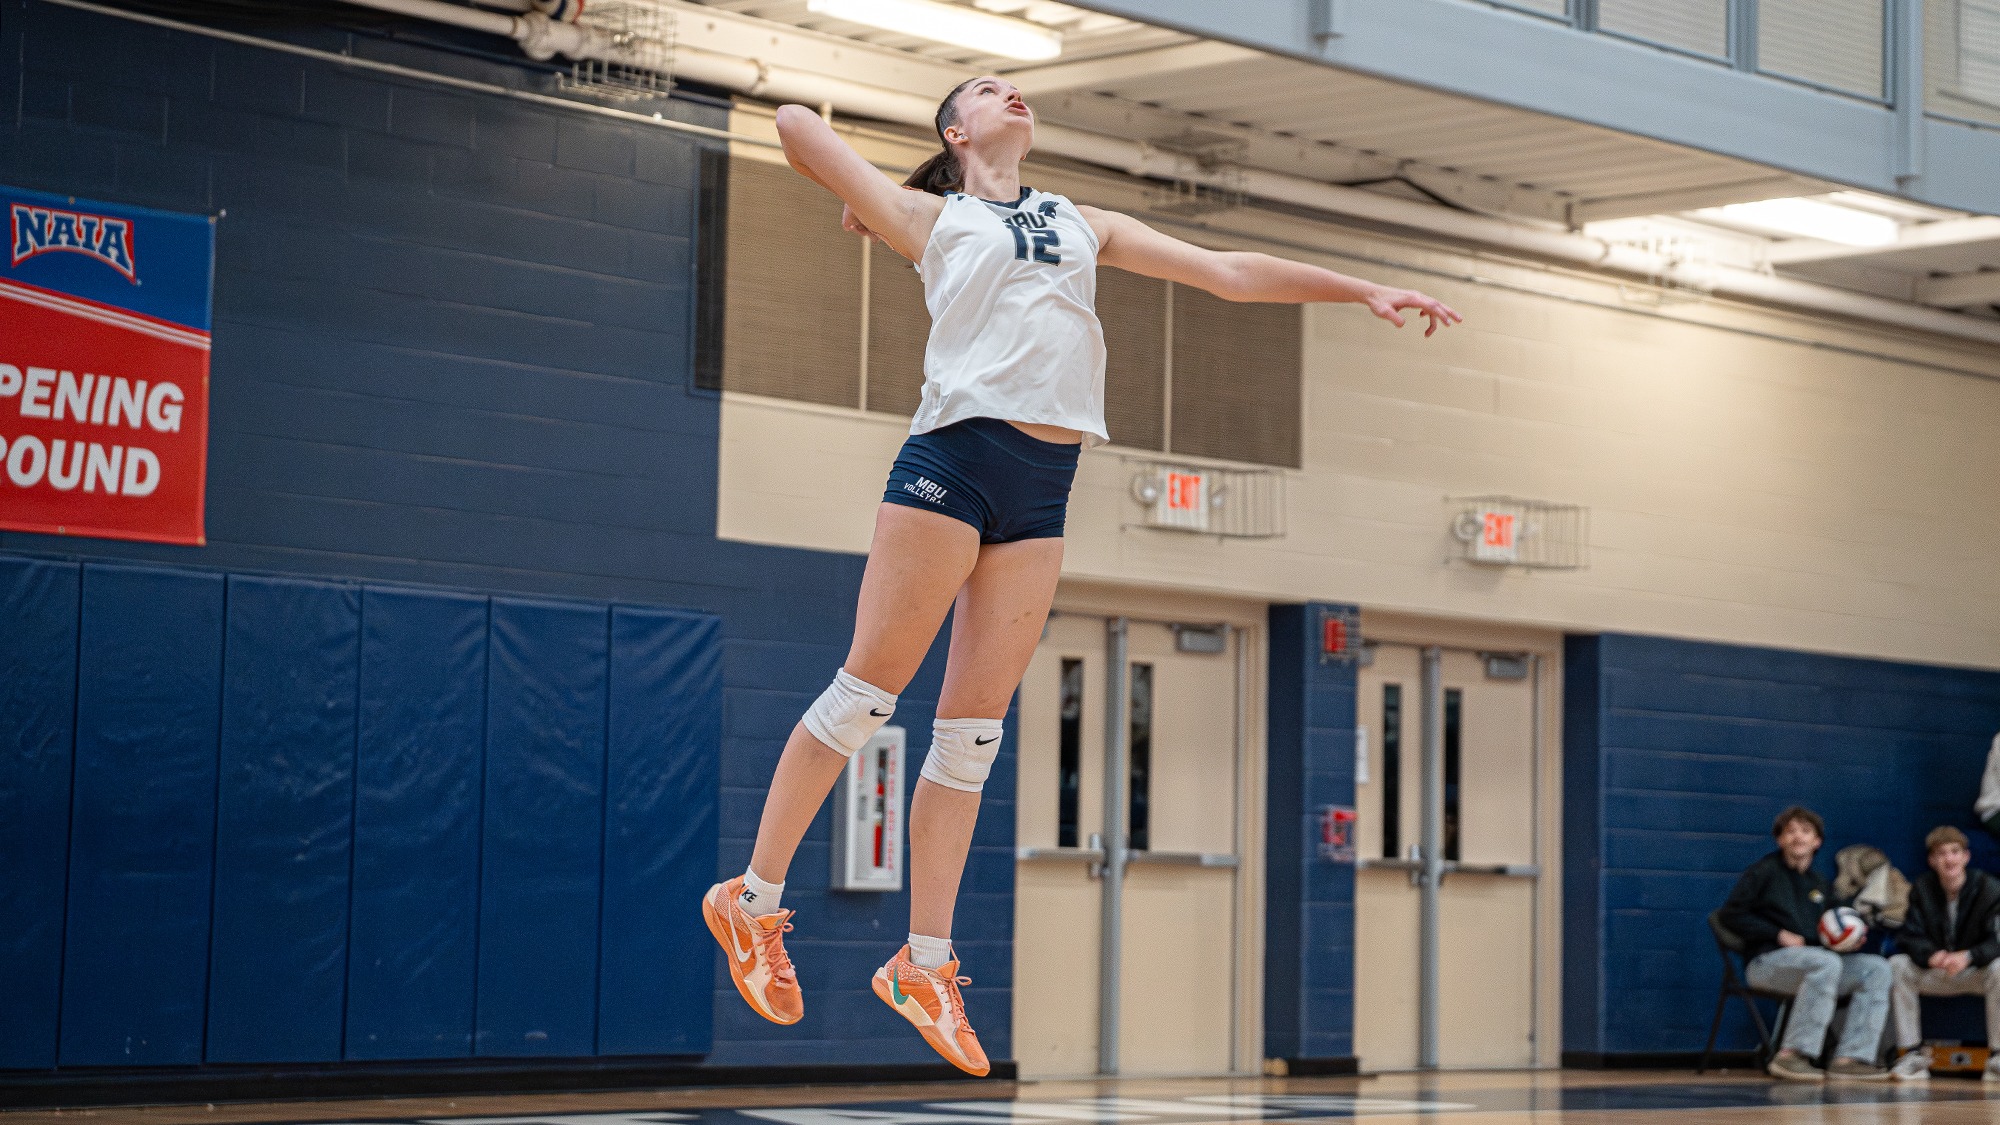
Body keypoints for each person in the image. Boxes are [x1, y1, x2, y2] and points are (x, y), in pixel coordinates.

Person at [700, 75, 1461, 1075]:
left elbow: (1227, 271)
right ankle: (750, 900)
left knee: (971, 735)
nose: (1011, 92)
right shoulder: (930, 215)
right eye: (985, 89)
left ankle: (922, 963)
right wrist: (874, 197)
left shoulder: (1081, 220)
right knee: (865, 697)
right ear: (955, 128)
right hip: (950, 460)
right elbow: (795, 124)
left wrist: (1357, 288)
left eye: (1015, 86)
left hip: (1044, 484)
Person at [1719, 805, 1893, 1082]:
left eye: (1805, 831)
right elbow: (1730, 915)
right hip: (1767, 963)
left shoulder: (1819, 883)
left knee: (1877, 969)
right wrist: (1777, 934)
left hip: (1817, 964)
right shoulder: (1763, 872)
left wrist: (1853, 936)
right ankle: (1793, 1056)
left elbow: (1833, 926)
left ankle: (1851, 1058)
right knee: (1825, 963)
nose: (1797, 837)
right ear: (1780, 840)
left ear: (1817, 841)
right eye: (1790, 832)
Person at [1886, 826, 2000, 1082]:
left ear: (1966, 857)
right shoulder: (1922, 889)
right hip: (1936, 971)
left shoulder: (1989, 888)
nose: (1949, 859)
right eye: (1941, 854)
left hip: (1974, 971)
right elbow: (1908, 936)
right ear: (1932, 861)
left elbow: (1997, 941)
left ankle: (1997, 1058)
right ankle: (1912, 1056)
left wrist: (1968, 956)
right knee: (1897, 964)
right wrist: (1931, 956)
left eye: (1954, 852)